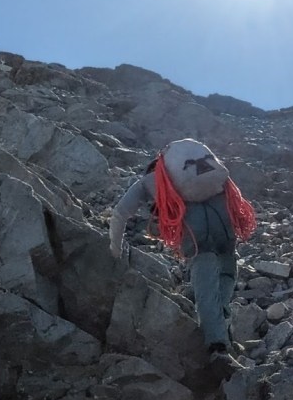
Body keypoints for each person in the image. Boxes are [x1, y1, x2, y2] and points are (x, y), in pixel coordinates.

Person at [109, 139, 257, 364]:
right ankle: (220, 318)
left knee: (205, 289)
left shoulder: (151, 182)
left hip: (198, 240)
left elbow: (120, 213)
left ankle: (217, 346)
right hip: (225, 230)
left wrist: (115, 249)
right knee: (227, 275)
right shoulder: (206, 169)